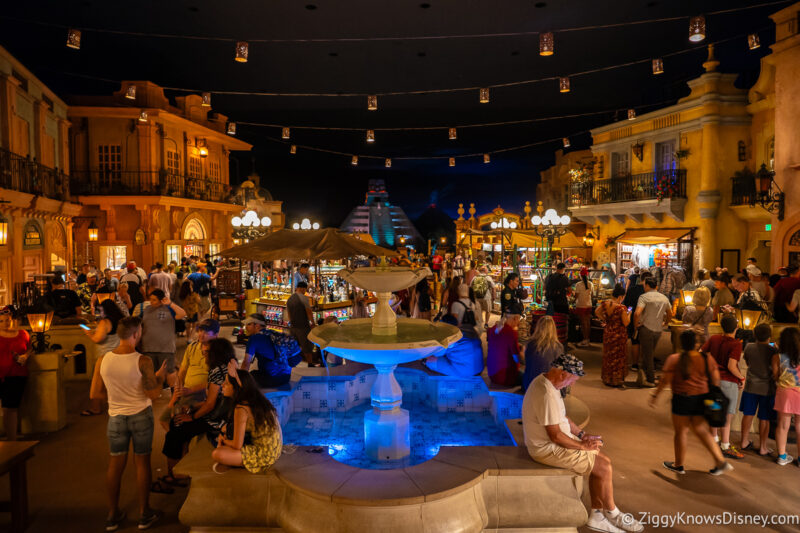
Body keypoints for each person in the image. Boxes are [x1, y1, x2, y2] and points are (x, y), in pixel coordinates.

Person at [523, 354, 643, 533]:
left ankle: (597, 515)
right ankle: (612, 513)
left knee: (603, 461)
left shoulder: (548, 382)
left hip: (554, 443)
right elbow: (555, 436)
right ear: (563, 375)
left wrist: (582, 434)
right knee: (603, 467)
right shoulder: (546, 394)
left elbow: (562, 417)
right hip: (546, 449)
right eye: (573, 380)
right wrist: (582, 446)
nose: (573, 385)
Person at [90, 316, 167, 531]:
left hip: (116, 418)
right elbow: (153, 394)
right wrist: (160, 377)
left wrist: (117, 398)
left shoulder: (103, 360)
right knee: (142, 463)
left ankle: (112, 514)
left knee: (115, 465)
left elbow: (94, 393)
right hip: (141, 415)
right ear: (136, 334)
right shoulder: (143, 361)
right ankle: (144, 513)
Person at [650, 330, 731, 476]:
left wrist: (655, 395)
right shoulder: (707, 358)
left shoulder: (674, 359)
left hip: (682, 399)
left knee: (681, 432)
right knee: (701, 430)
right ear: (697, 343)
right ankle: (720, 460)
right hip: (702, 399)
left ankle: (678, 464)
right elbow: (716, 379)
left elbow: (665, 380)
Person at [158, 338, 235, 490]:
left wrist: (192, 416)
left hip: (217, 419)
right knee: (179, 426)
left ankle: (175, 475)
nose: (204, 356)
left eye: (206, 353)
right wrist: (193, 406)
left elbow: (211, 404)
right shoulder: (229, 366)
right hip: (225, 414)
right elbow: (217, 399)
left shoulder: (216, 371)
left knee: (175, 430)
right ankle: (181, 467)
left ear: (215, 353)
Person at [212, 367, 283, 474]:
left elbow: (237, 446)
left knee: (217, 453)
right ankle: (233, 461)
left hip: (265, 455)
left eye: (226, 383)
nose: (222, 385)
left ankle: (235, 463)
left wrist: (223, 440)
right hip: (275, 450)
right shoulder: (255, 399)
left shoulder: (241, 408)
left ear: (236, 388)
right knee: (225, 430)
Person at [701, 315, 745, 459]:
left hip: (713, 380)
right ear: (736, 328)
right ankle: (725, 445)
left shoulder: (714, 339)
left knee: (715, 411)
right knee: (727, 415)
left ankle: (714, 439)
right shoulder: (736, 344)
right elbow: (731, 366)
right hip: (728, 382)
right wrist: (741, 377)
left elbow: (701, 353)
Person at [737, 323, 777, 456]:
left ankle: (744, 441)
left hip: (751, 386)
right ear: (769, 336)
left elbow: (748, 363)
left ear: (755, 335)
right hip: (767, 389)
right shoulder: (773, 351)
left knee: (748, 414)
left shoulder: (749, 347)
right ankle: (763, 447)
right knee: (764, 418)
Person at [81, 299, 126, 417]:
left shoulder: (105, 322)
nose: (99, 312)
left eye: (100, 310)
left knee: (98, 384)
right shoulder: (121, 321)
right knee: (114, 384)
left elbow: (97, 339)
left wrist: (88, 333)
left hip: (104, 357)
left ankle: (95, 408)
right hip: (118, 355)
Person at [140, 289, 186, 389]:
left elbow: (182, 314)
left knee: (169, 371)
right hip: (148, 348)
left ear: (161, 300)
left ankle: (174, 393)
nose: (151, 302)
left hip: (165, 348)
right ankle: (156, 392)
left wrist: (170, 304)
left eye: (154, 300)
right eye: (150, 299)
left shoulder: (169, 309)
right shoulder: (147, 309)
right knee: (152, 373)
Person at [633, 277, 672, 387]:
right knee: (649, 353)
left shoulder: (644, 297)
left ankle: (650, 379)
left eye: (644, 285)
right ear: (656, 286)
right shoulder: (664, 298)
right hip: (658, 330)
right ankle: (644, 376)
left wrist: (636, 325)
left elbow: (637, 313)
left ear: (647, 286)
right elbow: (670, 313)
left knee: (648, 355)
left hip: (646, 328)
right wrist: (666, 323)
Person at [0, 307, 31, 441]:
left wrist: (25, 356)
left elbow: (29, 348)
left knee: (11, 407)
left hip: (17, 375)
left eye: (7, 320)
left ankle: (12, 439)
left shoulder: (23, 333)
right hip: (1, 374)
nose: (5, 323)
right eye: (1, 321)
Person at [773, 327, 800, 466]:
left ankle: (782, 457)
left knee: (783, 426)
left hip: (785, 393)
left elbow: (775, 376)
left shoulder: (777, 357)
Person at [241, 314, 293, 387]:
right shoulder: (274, 334)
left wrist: (240, 381)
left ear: (257, 325)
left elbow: (246, 363)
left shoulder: (254, 338)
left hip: (271, 379)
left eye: (249, 324)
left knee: (251, 375)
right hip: (286, 377)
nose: (246, 327)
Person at [595, 284, 631, 388]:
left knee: (608, 355)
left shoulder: (605, 303)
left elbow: (597, 312)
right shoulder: (621, 308)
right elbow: (626, 323)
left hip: (608, 332)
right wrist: (629, 314)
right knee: (618, 357)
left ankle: (607, 378)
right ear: (620, 296)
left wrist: (605, 319)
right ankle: (616, 380)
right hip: (619, 335)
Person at [522, 316, 563, 391]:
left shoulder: (530, 344)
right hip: (546, 388)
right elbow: (559, 371)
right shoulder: (558, 347)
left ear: (538, 328)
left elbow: (527, 363)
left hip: (528, 385)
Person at [286, 281, 319, 366]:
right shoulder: (303, 298)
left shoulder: (290, 298)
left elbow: (289, 313)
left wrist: (291, 323)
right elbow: (309, 312)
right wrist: (313, 323)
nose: (305, 291)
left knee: (294, 346)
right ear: (302, 288)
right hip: (303, 326)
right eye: (305, 289)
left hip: (293, 326)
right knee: (307, 347)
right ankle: (310, 363)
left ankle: (292, 364)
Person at [487, 314, 522, 387]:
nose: (518, 323)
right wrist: (523, 352)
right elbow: (517, 359)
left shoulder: (493, 329)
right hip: (505, 377)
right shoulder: (511, 333)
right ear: (515, 318)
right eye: (519, 320)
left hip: (492, 374)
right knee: (528, 376)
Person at [574, 270, 594, 347]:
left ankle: (584, 340)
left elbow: (576, 296)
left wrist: (572, 299)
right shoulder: (591, 284)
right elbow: (592, 295)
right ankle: (587, 339)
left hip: (581, 305)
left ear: (580, 275)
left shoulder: (578, 284)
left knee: (583, 323)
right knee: (587, 323)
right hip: (589, 305)